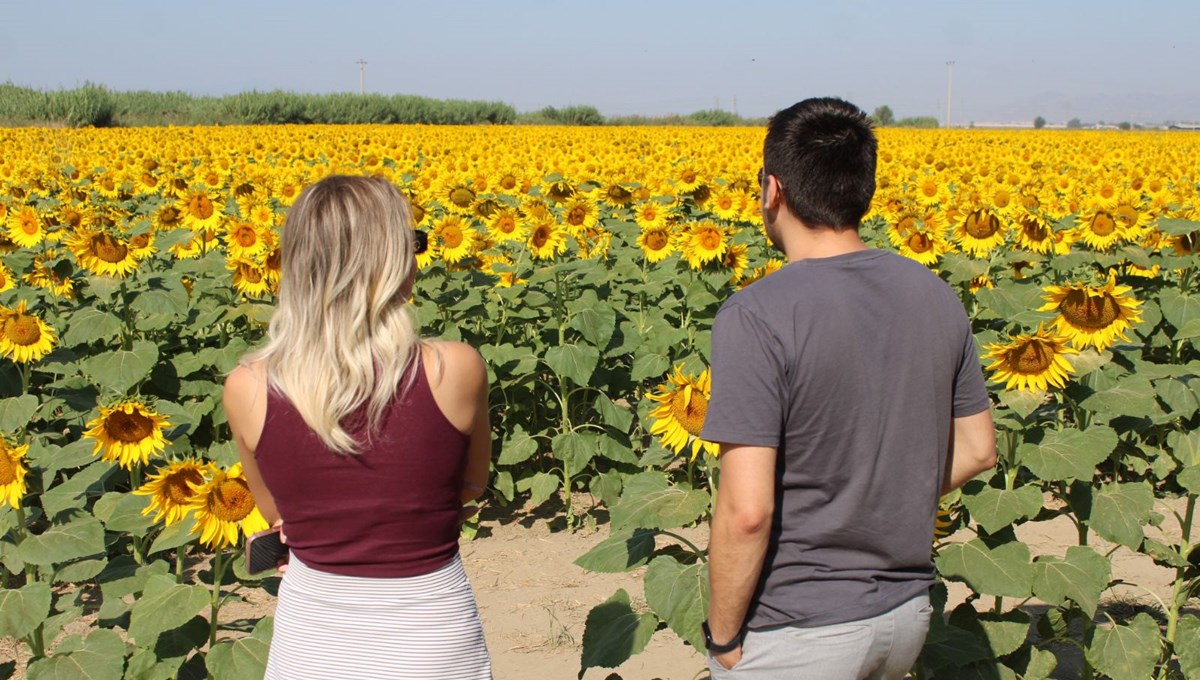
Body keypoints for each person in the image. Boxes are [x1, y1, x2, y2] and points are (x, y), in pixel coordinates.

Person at [700, 98, 997, 679]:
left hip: (797, 625)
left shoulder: (757, 313)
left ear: (772, 191)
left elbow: (747, 511)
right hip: (904, 615)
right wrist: (878, 498)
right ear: (863, 190)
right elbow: (979, 449)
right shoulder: (934, 294)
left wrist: (723, 635)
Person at [223, 175, 493, 679]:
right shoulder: (455, 368)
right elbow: (471, 485)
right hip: (431, 629)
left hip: (312, 634)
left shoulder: (248, 386)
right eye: (413, 243)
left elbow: (277, 513)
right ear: (391, 263)